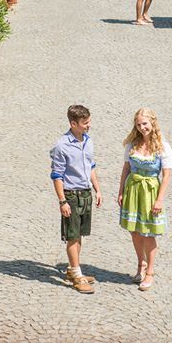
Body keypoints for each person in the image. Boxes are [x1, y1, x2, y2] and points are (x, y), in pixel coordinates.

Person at [118, 108, 172, 291]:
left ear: (153, 123)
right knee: (135, 231)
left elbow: (166, 176)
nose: (142, 128)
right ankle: (140, 265)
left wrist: (159, 200)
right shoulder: (132, 144)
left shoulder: (163, 147)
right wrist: (121, 191)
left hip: (150, 191)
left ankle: (150, 271)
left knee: (148, 232)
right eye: (139, 124)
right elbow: (126, 168)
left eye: (145, 124)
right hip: (133, 189)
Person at [50, 104, 102, 294]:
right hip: (71, 195)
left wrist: (97, 189)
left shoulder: (88, 141)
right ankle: (77, 277)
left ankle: (74, 270)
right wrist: (62, 201)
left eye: (89, 121)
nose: (89, 125)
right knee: (72, 236)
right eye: (85, 123)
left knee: (79, 234)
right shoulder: (61, 146)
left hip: (85, 193)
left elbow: (91, 166)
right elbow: (57, 175)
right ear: (73, 123)